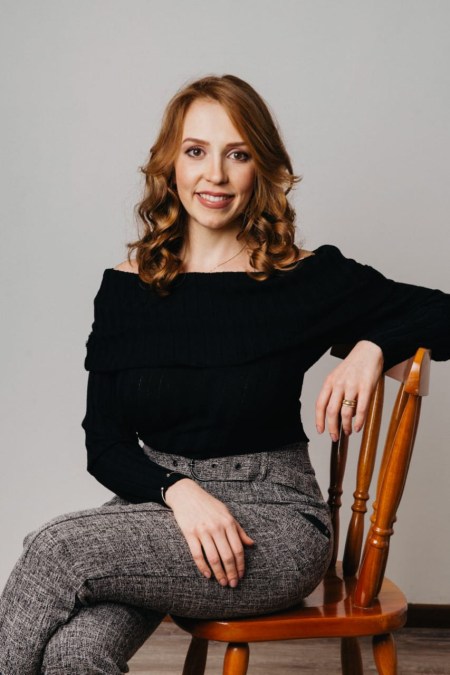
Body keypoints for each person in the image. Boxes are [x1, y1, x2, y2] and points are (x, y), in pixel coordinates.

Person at [0, 74, 449, 675]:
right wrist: (179, 492)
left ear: (261, 168)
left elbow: (442, 310)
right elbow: (104, 444)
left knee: (56, 549)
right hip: (162, 506)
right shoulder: (126, 288)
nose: (214, 175)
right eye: (196, 151)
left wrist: (372, 346)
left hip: (273, 521)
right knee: (74, 653)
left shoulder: (301, 280)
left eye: (237, 154)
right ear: (170, 165)